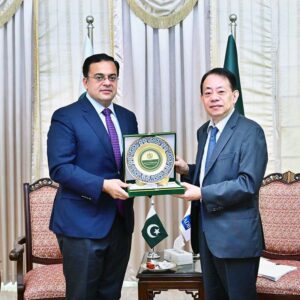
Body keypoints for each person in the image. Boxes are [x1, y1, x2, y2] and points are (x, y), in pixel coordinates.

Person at [47, 53, 138, 300]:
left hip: (120, 222)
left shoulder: (128, 117)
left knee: (111, 294)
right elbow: (60, 168)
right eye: (99, 77)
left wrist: (154, 178)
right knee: (82, 295)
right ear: (86, 82)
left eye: (112, 77)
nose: (106, 82)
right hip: (81, 224)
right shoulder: (66, 116)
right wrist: (103, 185)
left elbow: (133, 165)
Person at [175, 67, 268, 300]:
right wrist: (188, 169)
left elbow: (248, 183)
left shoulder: (250, 131)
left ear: (234, 96)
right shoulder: (204, 132)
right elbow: (211, 172)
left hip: (236, 238)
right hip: (206, 235)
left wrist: (202, 193)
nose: (214, 97)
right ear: (201, 98)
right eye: (208, 93)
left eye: (220, 91)